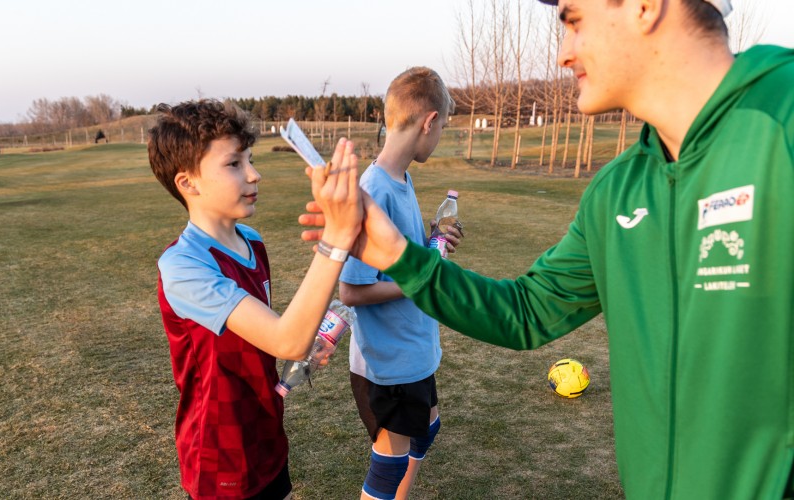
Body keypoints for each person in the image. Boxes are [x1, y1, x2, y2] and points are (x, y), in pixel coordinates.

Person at [300, 1, 794, 498]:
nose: (563, 53)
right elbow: (526, 311)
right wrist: (400, 257)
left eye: (574, 20)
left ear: (645, 7)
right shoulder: (616, 191)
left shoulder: (783, 121)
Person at [147, 99, 362, 500]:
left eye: (251, 159)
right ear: (188, 183)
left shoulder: (251, 241)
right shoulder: (183, 265)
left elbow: (273, 335)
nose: (253, 174)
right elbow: (284, 340)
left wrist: (306, 343)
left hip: (266, 429)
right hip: (221, 451)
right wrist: (337, 236)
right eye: (234, 163)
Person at [337, 67, 462, 500]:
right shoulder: (374, 191)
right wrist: (424, 276)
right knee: (388, 465)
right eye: (443, 127)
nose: (440, 136)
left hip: (414, 347)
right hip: (391, 358)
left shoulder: (402, 180)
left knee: (428, 428)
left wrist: (432, 244)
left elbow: (399, 261)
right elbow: (351, 291)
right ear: (429, 121)